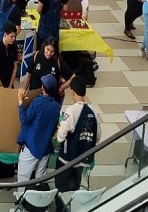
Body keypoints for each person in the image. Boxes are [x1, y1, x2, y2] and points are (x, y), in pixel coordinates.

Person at [54, 76, 98, 207]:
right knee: (74, 191)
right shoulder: (93, 112)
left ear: (73, 92)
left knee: (61, 191)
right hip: (83, 160)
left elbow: (60, 137)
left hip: (66, 160)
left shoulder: (71, 111)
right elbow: (97, 135)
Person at [16, 74, 62, 184]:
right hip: (45, 148)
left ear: (43, 88)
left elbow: (25, 120)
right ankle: (37, 200)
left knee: (23, 179)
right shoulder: (56, 106)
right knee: (40, 180)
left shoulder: (38, 102)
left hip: (31, 147)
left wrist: (20, 101)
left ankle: (22, 199)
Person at [0, 22, 19, 88]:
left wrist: (10, 85)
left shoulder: (14, 45)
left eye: (15, 36)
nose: (13, 39)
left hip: (9, 81)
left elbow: (15, 66)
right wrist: (3, 89)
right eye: (11, 36)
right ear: (5, 34)